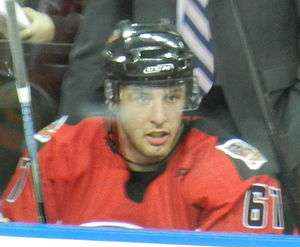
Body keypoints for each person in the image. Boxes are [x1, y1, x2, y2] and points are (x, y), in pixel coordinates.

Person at [0, 20, 285, 233]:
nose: (159, 116)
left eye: (172, 97)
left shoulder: (238, 176)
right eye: (141, 98)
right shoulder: (59, 150)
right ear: (114, 98)